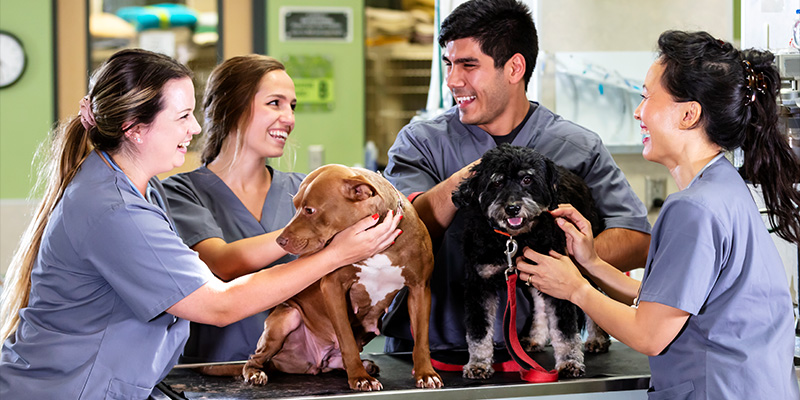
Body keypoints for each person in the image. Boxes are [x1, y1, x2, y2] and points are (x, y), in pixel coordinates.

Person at [0, 48, 401, 399]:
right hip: (66, 389)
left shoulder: (138, 189)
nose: (194, 129)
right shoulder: (113, 208)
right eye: (184, 117)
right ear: (135, 128)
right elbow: (219, 303)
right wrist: (338, 254)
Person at [519, 31, 800, 399]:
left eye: (646, 97)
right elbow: (671, 305)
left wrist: (574, 288)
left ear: (688, 114)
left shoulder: (693, 208)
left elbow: (649, 334)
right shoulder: (726, 188)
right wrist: (591, 263)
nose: (638, 111)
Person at [380, 0, 651, 355]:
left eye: (468, 65)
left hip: (541, 354)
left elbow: (636, 238)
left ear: (514, 68)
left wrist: (560, 262)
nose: (452, 81)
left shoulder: (577, 147)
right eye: (448, 64)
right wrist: (478, 176)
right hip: (427, 354)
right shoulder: (422, 142)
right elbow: (397, 234)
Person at [162, 54, 305, 365]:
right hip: (214, 374)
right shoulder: (181, 193)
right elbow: (224, 263)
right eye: (275, 103)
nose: (289, 118)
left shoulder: (306, 189)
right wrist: (311, 229)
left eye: (292, 106)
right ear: (232, 105)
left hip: (303, 375)